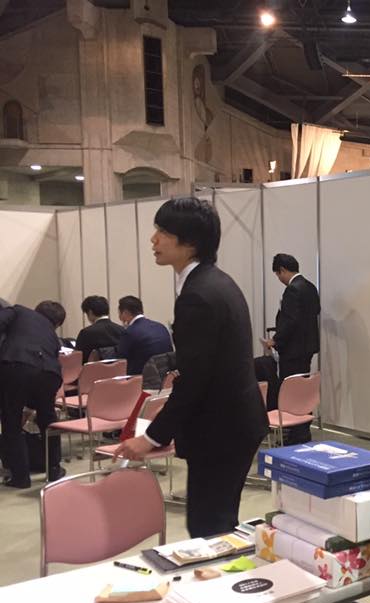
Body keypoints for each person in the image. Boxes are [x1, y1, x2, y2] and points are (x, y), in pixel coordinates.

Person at [114, 197, 267, 538]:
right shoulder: (216, 282)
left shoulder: (198, 295)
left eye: (164, 232)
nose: (154, 239)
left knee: (208, 530)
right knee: (217, 524)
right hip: (235, 422)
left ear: (191, 242)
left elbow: (196, 381)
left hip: (220, 429)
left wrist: (151, 437)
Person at [0, 301, 66, 488]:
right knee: (48, 420)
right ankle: (54, 468)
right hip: (50, 373)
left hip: (17, 366)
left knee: (11, 421)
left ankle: (20, 476)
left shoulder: (18, 311)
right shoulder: (51, 332)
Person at [261, 253, 320, 441]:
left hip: (293, 350)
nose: (279, 279)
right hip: (308, 347)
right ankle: (303, 430)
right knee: (303, 389)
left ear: (282, 270)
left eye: (278, 275)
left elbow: (290, 321)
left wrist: (275, 340)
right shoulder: (310, 287)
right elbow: (315, 312)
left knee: (290, 391)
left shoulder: (292, 290)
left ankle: (295, 432)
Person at [115, 295, 173, 375]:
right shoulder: (161, 327)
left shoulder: (129, 332)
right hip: (166, 377)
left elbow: (121, 361)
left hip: (141, 378)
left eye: (119, 313)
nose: (119, 317)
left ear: (125, 313)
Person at [75, 295, 124, 363]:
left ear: (90, 312)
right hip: (119, 369)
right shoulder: (122, 330)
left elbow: (78, 358)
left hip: (93, 369)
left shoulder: (86, 332)